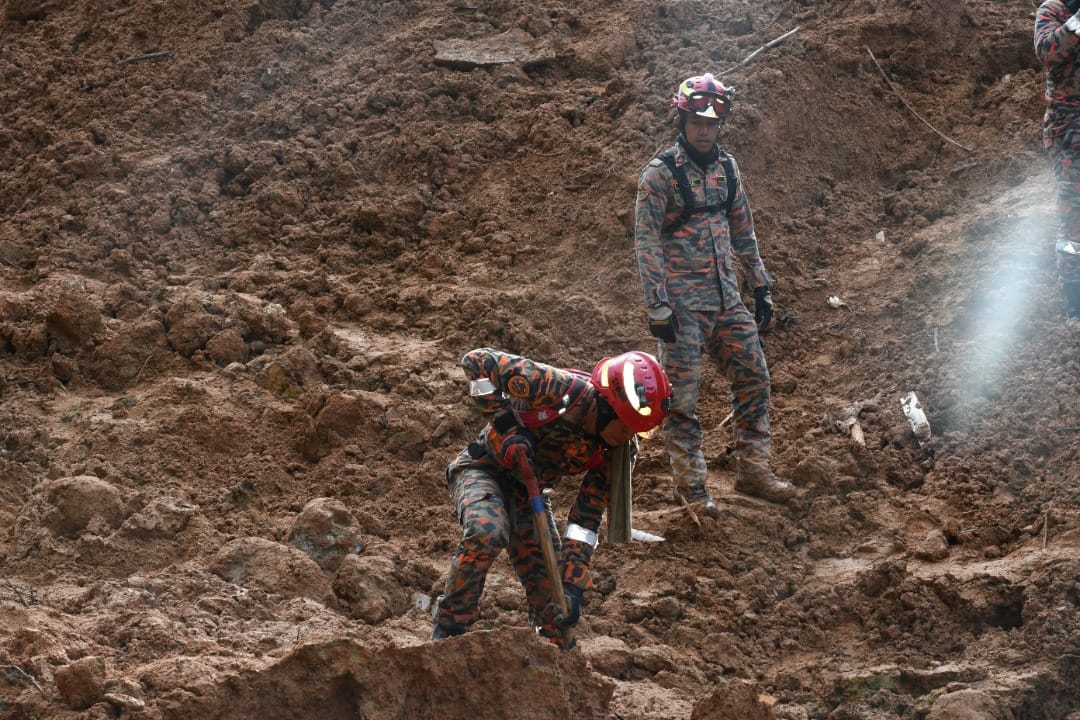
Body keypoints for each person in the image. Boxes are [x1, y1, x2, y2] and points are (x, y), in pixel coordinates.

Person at [634, 72, 798, 516]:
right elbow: (645, 240)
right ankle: (692, 489)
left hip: (728, 299)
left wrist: (760, 285)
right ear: (681, 121)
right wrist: (658, 304)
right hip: (682, 307)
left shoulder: (727, 168)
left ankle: (753, 470)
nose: (704, 130)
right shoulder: (660, 175)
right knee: (682, 400)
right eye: (696, 122)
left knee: (754, 378)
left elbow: (742, 229)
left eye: (712, 123)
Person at [431, 347, 671, 647]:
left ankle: (553, 655)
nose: (628, 437)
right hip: (483, 470)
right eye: (625, 426)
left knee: (554, 602)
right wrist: (507, 429)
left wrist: (572, 583)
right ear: (608, 406)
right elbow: (477, 362)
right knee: (487, 531)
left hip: (529, 494)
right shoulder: (557, 388)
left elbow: (586, 520)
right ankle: (447, 633)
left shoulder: (619, 453)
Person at [1035, 0, 1080, 325]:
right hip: (1069, 128)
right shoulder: (1053, 11)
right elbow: (1047, 52)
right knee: (1074, 215)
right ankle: (1075, 303)